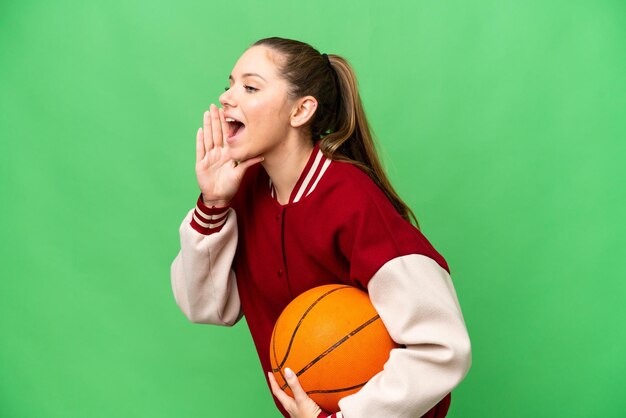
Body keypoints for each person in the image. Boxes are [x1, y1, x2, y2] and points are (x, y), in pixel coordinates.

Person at [171, 37, 471, 418]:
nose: (228, 98)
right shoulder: (242, 190)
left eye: (249, 86)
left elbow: (443, 347)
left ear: (301, 111)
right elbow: (208, 307)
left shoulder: (351, 199)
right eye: (228, 84)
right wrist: (212, 204)